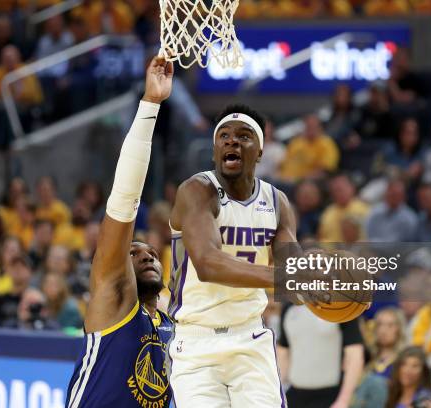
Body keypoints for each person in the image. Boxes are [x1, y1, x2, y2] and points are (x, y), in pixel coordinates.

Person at [168, 101, 324, 406]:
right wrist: (288, 278)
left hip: (250, 338)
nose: (232, 141)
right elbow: (208, 264)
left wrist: (321, 281)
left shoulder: (277, 202)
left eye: (244, 135)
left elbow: (291, 267)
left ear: (261, 151)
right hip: (196, 342)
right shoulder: (197, 191)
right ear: (215, 150)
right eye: (223, 135)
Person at [64, 55, 174, 407]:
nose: (147, 254)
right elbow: (125, 199)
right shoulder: (113, 296)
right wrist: (150, 106)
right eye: (134, 252)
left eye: (152, 253)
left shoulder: (172, 323)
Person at [277, 302, 365, 408]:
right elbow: (282, 354)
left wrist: (343, 400)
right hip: (294, 395)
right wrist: (274, 393)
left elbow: (355, 356)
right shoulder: (288, 307)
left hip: (331, 397)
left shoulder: (341, 304)